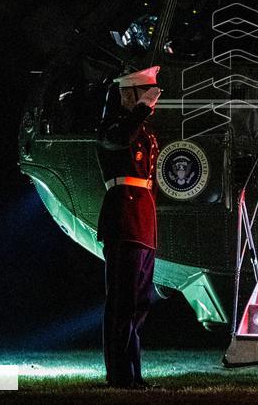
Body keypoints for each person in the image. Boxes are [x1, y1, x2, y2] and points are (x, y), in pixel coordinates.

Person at [96, 66, 162, 389]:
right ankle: (119, 373)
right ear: (127, 95)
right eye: (144, 94)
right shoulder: (112, 127)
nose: (152, 102)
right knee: (122, 300)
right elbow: (120, 138)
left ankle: (133, 372)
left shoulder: (143, 131)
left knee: (139, 302)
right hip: (123, 218)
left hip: (142, 220)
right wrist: (140, 109)